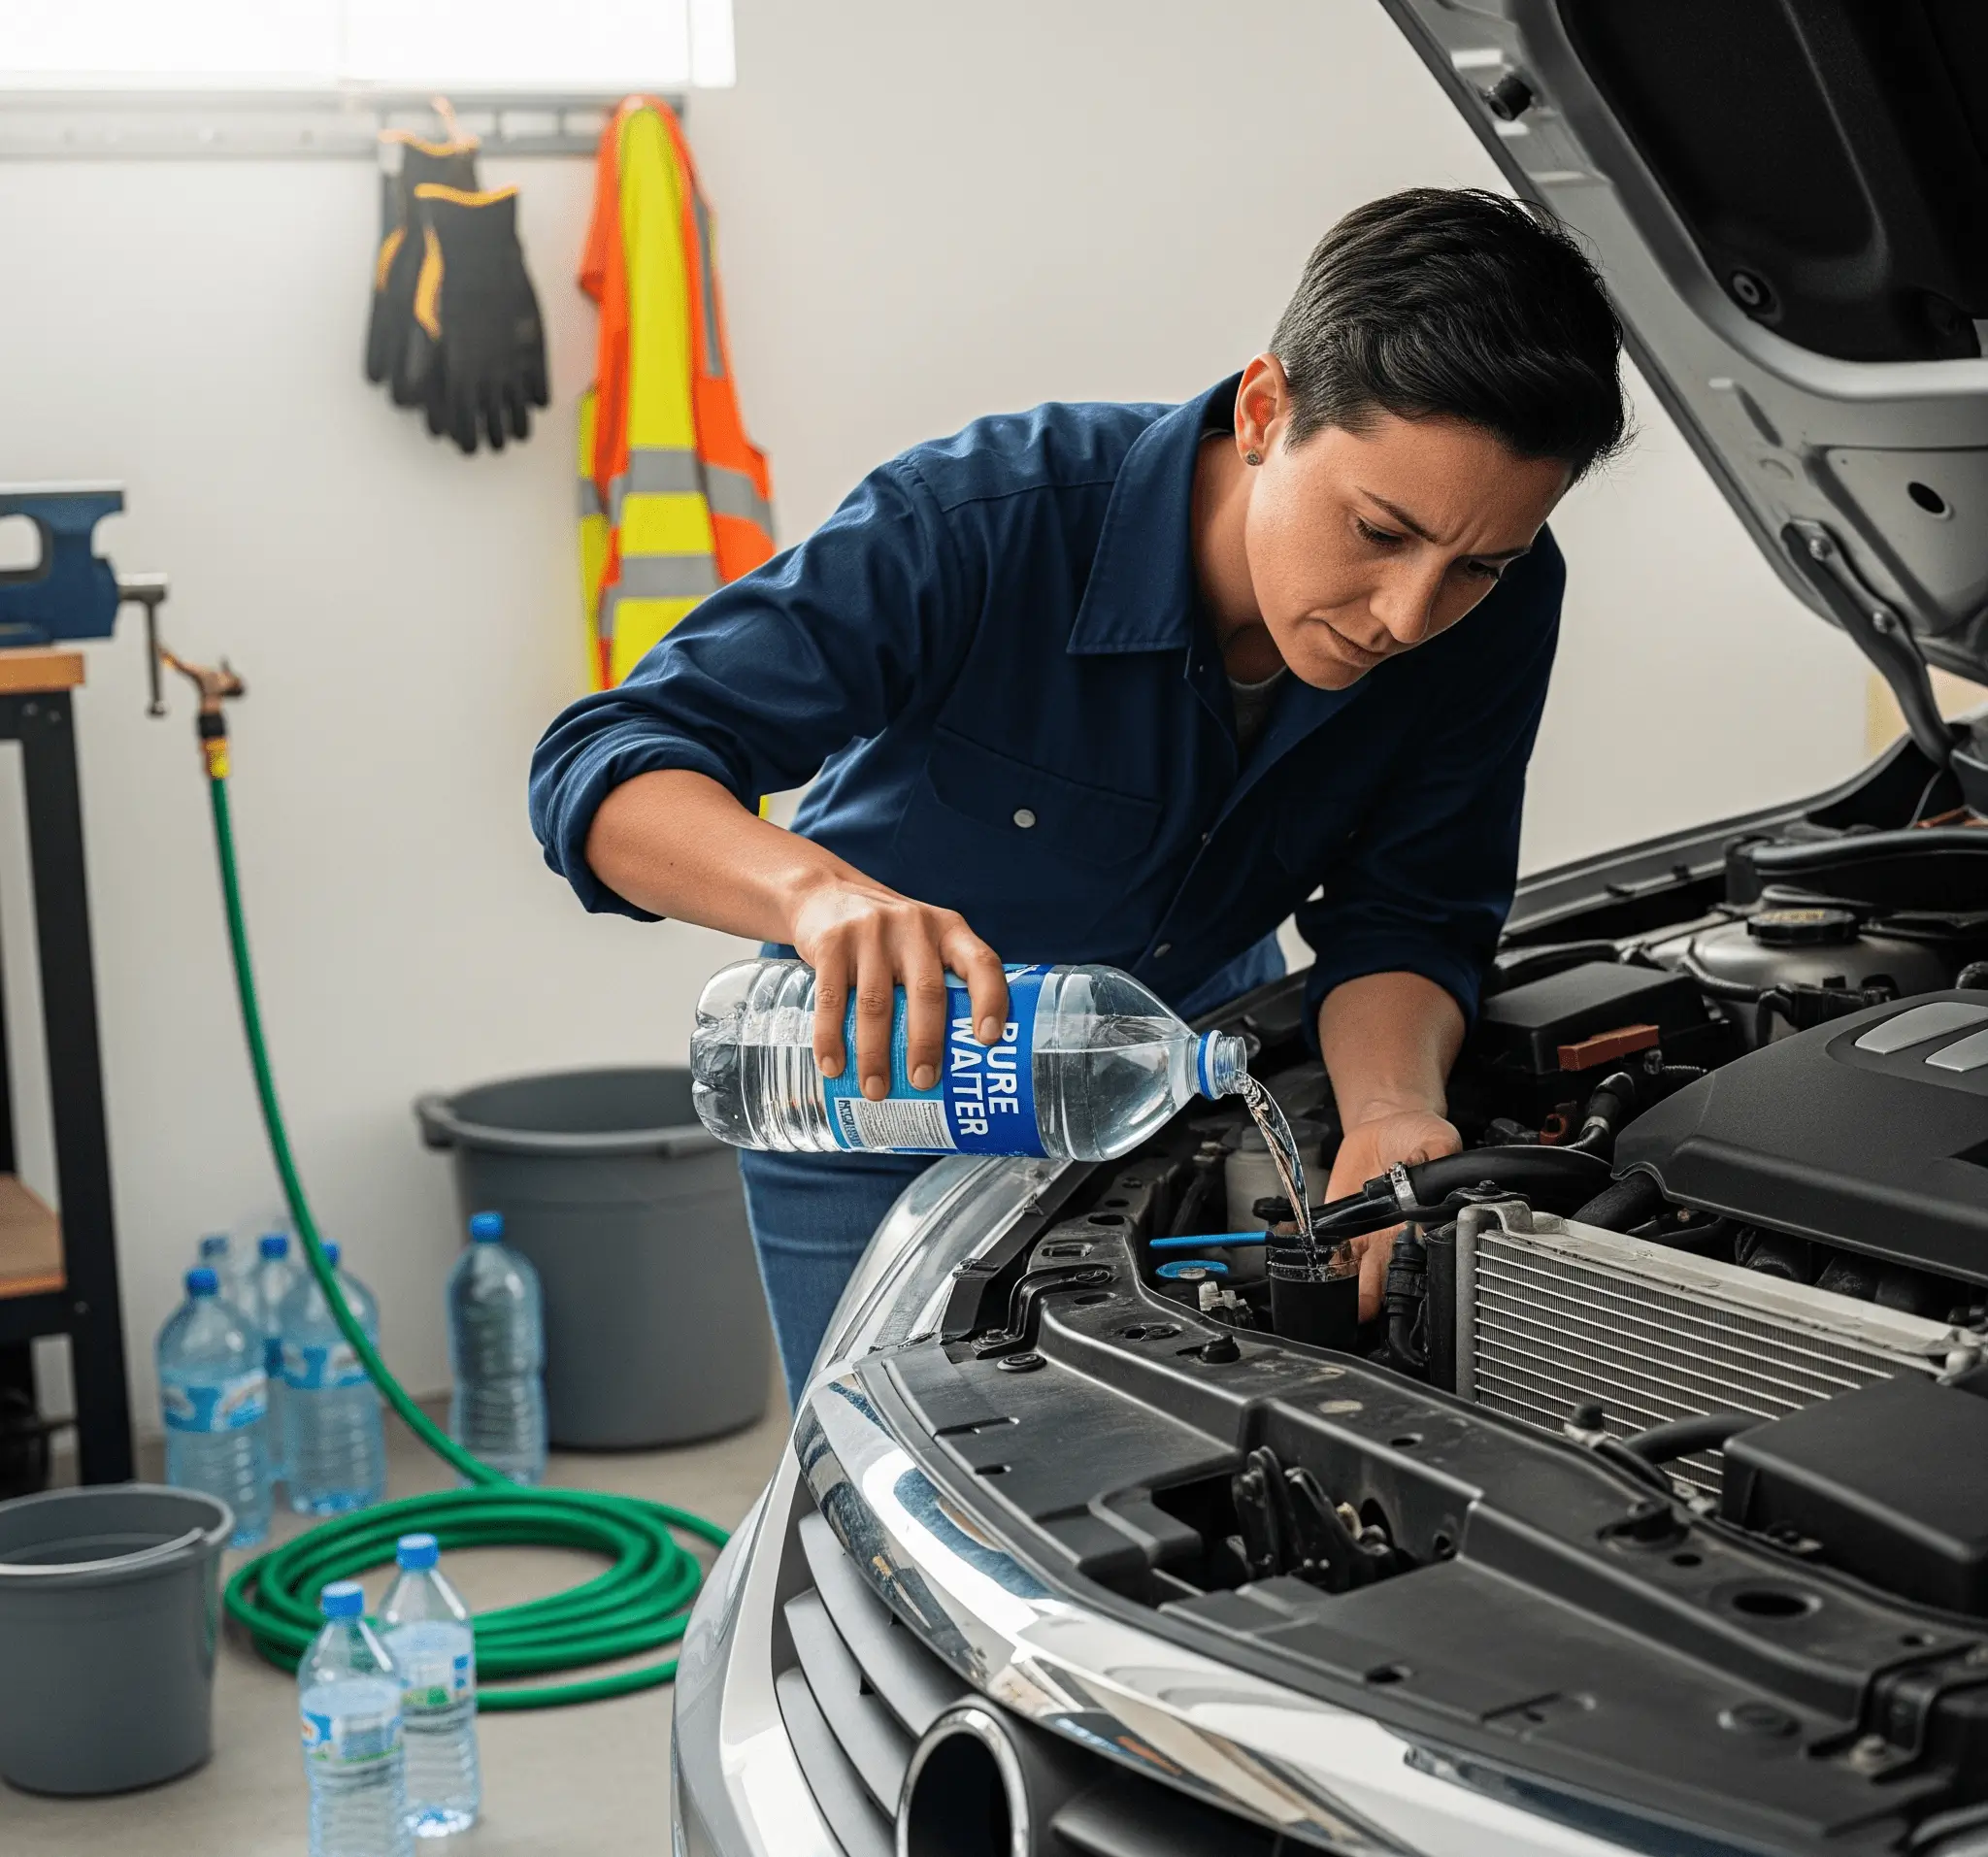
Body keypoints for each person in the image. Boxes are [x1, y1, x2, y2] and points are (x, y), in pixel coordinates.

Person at [530, 187, 1628, 1403]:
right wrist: (815, 895)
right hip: (878, 1087)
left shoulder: (1502, 606)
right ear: (1265, 411)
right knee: (884, 1483)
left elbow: (1409, 910)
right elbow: (605, 762)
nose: (1408, 617)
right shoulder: (980, 517)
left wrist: (1384, 1108)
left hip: (1165, 1081)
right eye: (1378, 531)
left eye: (1474, 566)